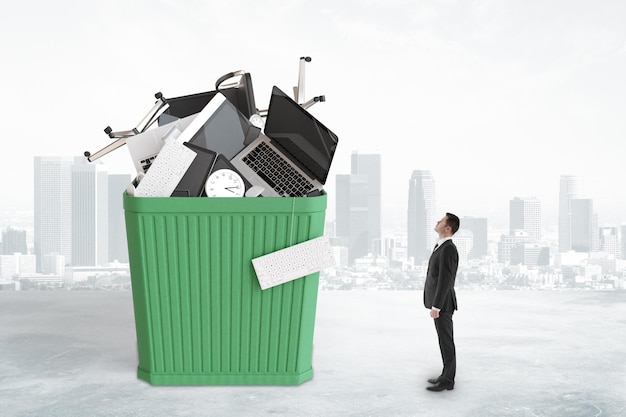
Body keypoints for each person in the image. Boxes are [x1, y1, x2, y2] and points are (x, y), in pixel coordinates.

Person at [423, 212, 460, 392]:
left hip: (443, 304)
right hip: (440, 303)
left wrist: (436, 306)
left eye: (441, 221)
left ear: (448, 228)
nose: (437, 221)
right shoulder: (441, 247)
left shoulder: (448, 249)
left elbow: (445, 280)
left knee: (446, 341)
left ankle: (448, 381)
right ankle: (446, 376)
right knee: (443, 340)